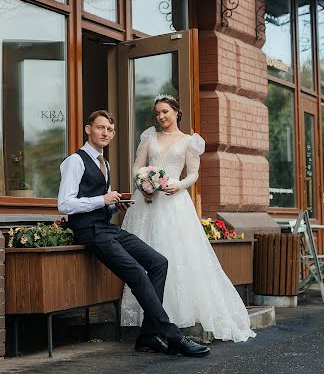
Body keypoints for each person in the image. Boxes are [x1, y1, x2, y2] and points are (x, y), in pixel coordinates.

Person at [57, 109, 210, 358]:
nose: (105, 133)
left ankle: (148, 335)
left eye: (109, 130)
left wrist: (112, 205)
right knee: (137, 272)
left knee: (159, 262)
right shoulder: (75, 161)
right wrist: (101, 199)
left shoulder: (103, 162)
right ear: (88, 130)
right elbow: (65, 204)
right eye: (100, 128)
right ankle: (171, 334)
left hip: (106, 228)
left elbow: (96, 202)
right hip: (89, 232)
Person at [121, 95, 256, 343]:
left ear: (176, 112)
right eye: (157, 113)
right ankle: (150, 316)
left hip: (174, 202)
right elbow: (137, 166)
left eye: (165, 112)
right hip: (147, 203)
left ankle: (175, 315)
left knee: (176, 255)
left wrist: (179, 185)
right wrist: (143, 186)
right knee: (147, 252)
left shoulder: (189, 142)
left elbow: (193, 174)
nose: (161, 117)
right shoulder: (149, 136)